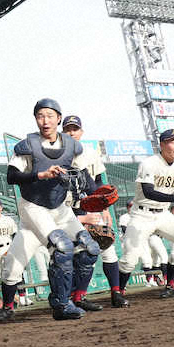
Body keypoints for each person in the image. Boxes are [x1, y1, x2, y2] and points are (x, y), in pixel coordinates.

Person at [0, 99, 100, 322]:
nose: (45, 120)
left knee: (89, 248)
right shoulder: (28, 145)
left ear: (58, 118)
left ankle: (75, 297)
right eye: (40, 116)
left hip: (59, 208)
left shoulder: (72, 146)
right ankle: (58, 306)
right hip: (33, 207)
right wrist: (40, 175)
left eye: (50, 116)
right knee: (61, 247)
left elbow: (85, 178)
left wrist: (100, 197)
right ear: (36, 119)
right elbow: (11, 177)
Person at [118, 129, 174, 301]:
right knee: (130, 259)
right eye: (173, 141)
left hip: (164, 214)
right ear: (161, 144)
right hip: (141, 214)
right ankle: (118, 292)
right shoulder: (149, 163)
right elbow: (148, 192)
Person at [60, 115, 114, 311]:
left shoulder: (90, 153)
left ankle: (79, 296)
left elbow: (98, 182)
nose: (72, 132)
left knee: (93, 250)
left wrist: (103, 207)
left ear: (81, 132)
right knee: (66, 255)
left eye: (75, 129)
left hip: (86, 205)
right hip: (64, 208)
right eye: (68, 129)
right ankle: (65, 299)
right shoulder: (56, 154)